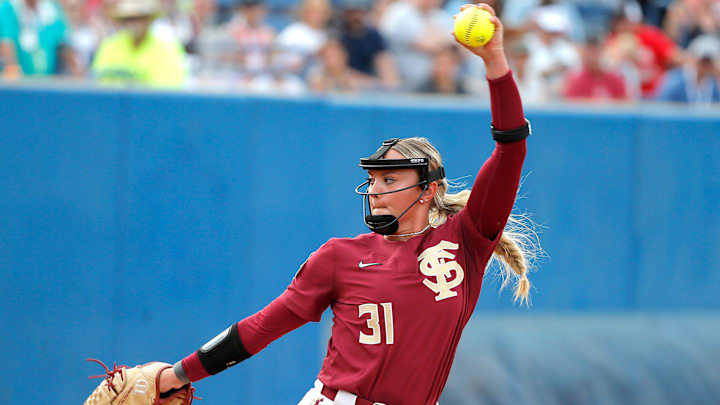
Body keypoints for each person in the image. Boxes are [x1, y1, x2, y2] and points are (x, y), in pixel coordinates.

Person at [92, 4, 539, 405]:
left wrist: (496, 62)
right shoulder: (340, 256)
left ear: (429, 190)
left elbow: (511, 150)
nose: (376, 189)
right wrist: (175, 374)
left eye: (390, 179)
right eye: (372, 179)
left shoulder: (465, 242)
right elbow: (263, 326)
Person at [90, 0, 187, 88]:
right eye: (130, 18)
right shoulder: (108, 47)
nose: (135, 23)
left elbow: (167, 91)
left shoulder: (168, 48)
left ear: (149, 18)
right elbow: (99, 85)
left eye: (140, 17)